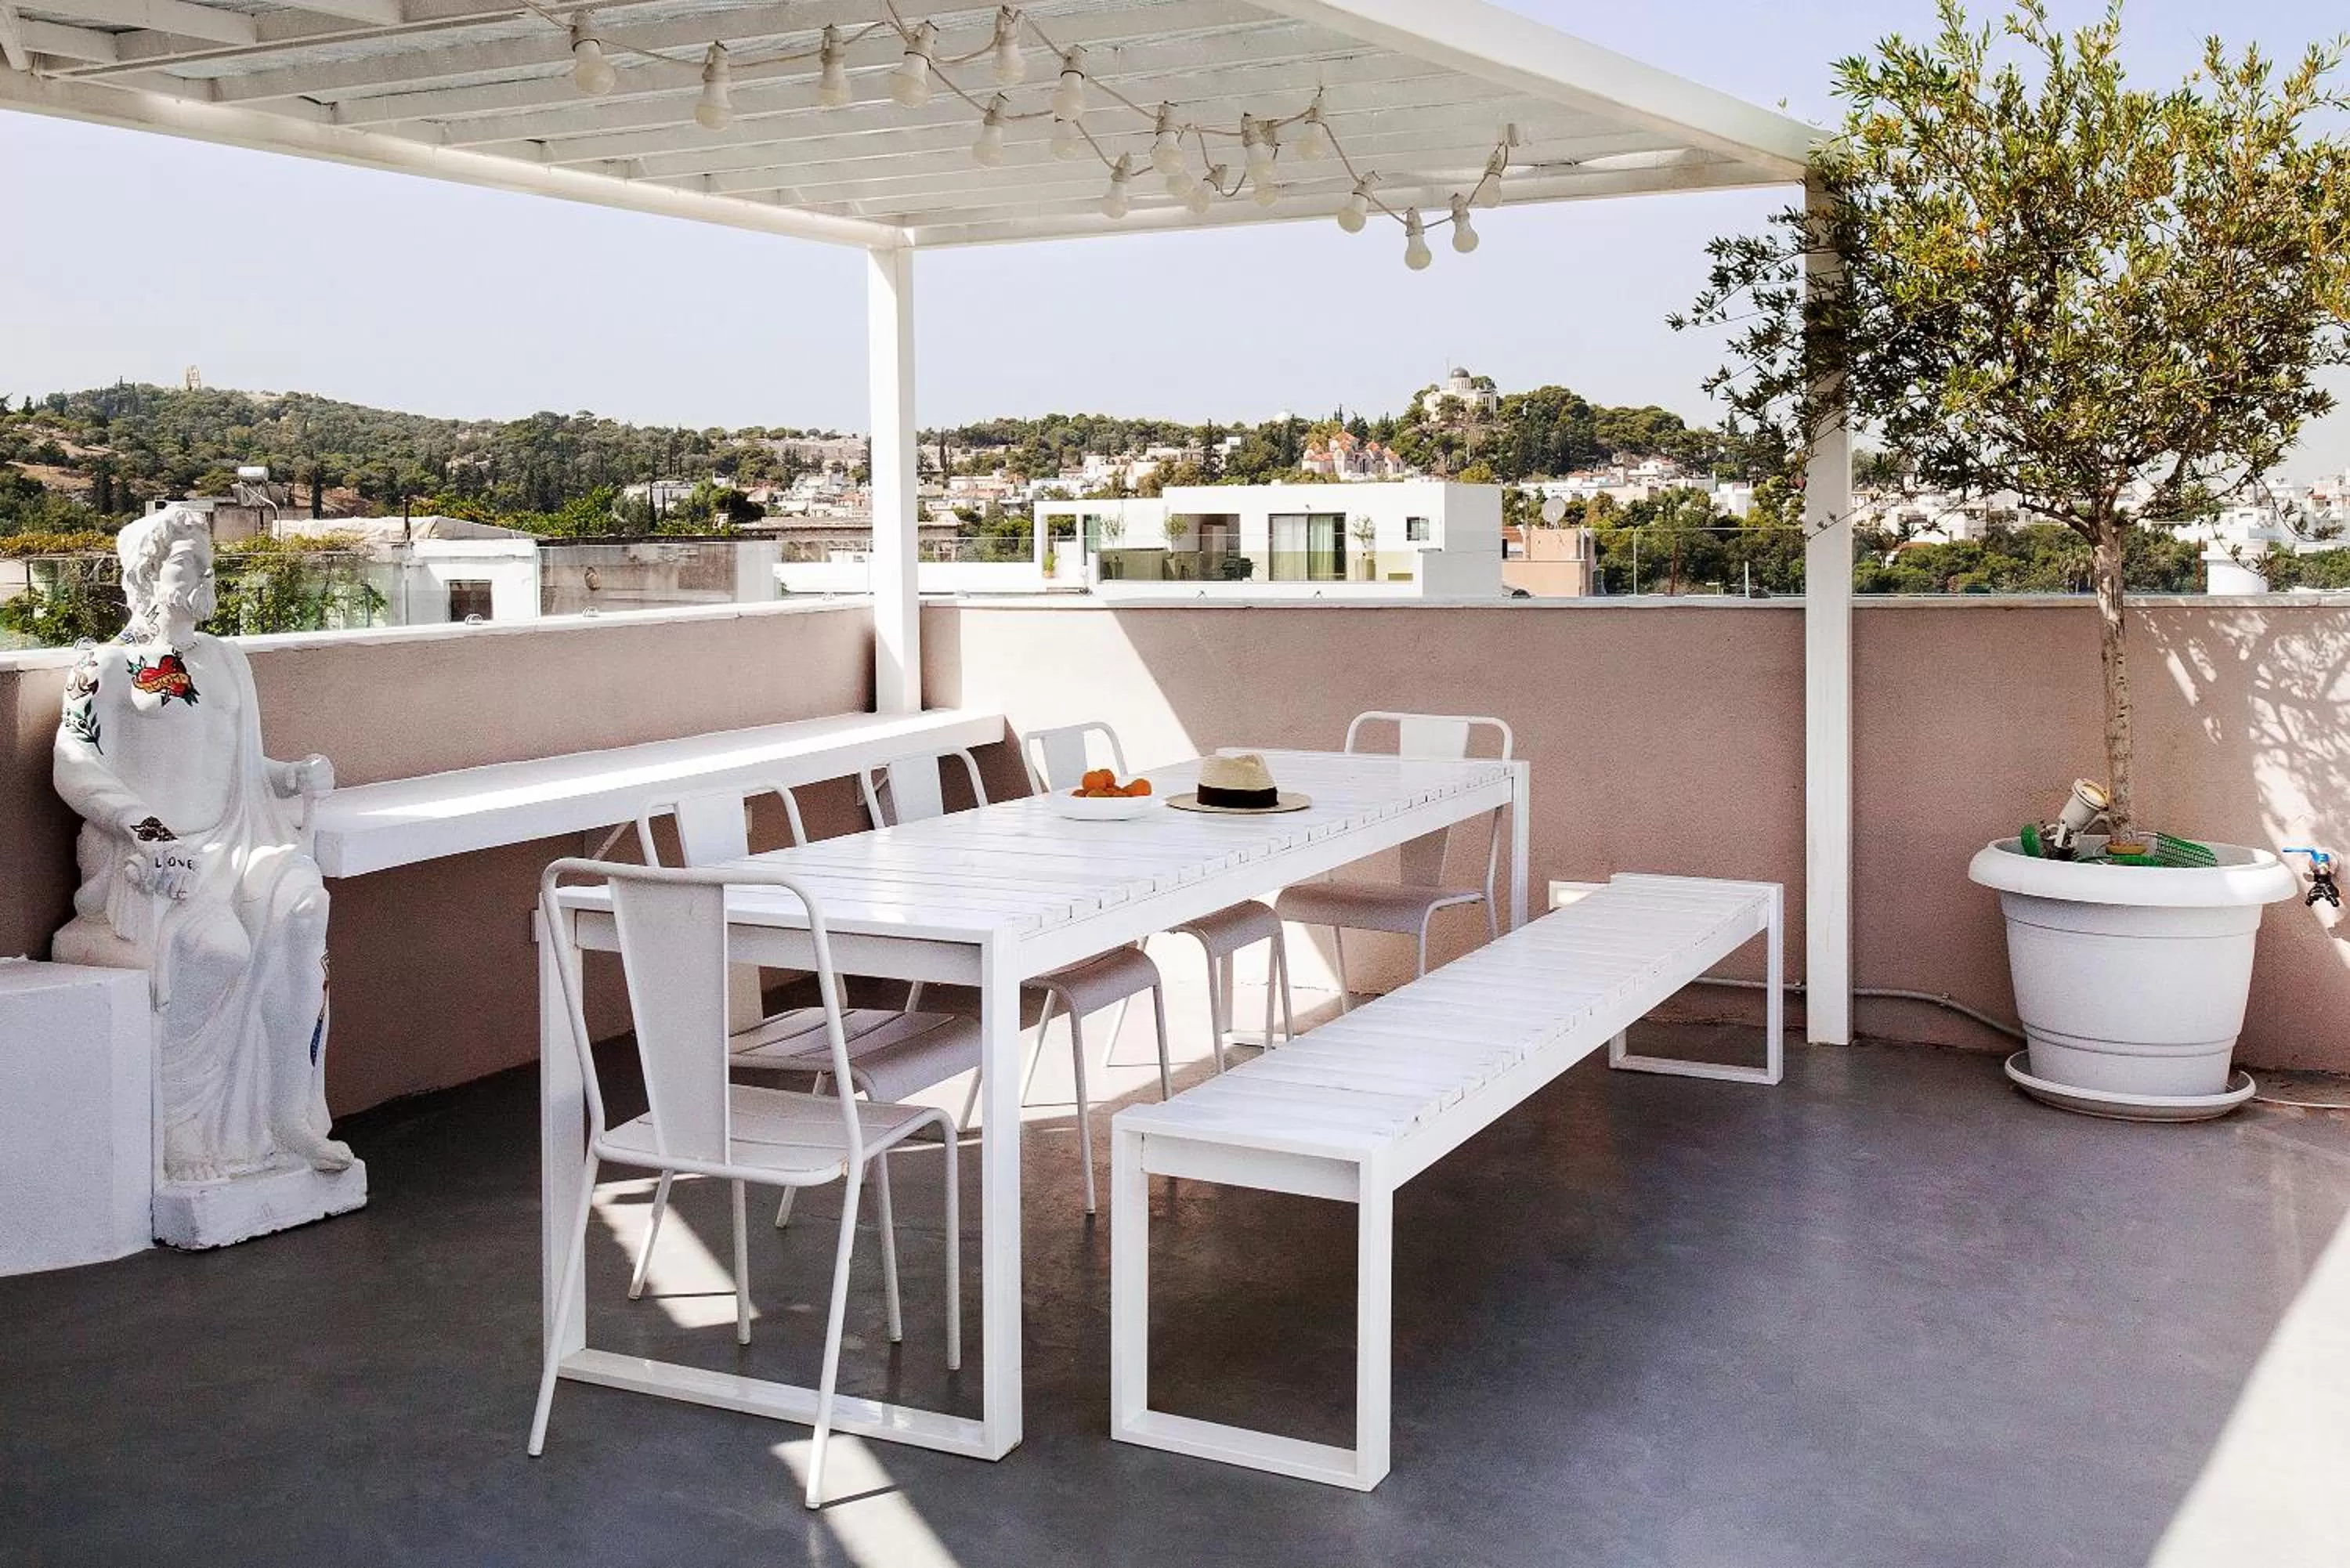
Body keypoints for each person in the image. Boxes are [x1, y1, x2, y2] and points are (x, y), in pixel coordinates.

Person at [52, 505, 350, 1184]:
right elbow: (72, 761)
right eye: (189, 559)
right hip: (158, 858)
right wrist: (145, 828)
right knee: (220, 951)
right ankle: (178, 1120)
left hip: (240, 843)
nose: (206, 569)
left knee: (305, 907)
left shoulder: (226, 660)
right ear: (148, 575)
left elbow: (239, 767)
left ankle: (289, 1110)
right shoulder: (103, 663)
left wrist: (291, 776)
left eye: (205, 555)